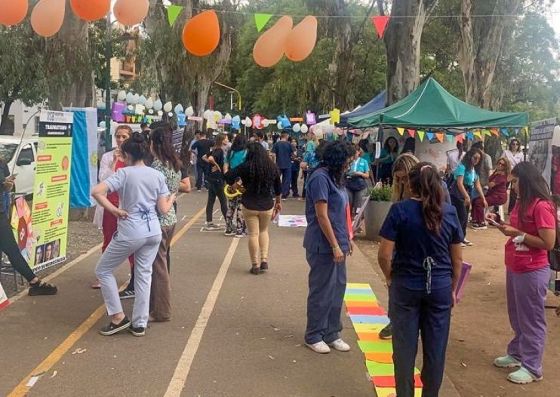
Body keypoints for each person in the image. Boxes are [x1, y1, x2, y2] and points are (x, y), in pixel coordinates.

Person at [378, 162, 463, 397]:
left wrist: (390, 277)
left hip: (405, 284)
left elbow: (384, 254)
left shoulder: (400, 210)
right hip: (439, 285)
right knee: (436, 349)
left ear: (410, 184)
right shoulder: (449, 212)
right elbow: (457, 259)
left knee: (404, 349)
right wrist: (453, 288)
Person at [92, 132, 175, 337]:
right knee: (144, 274)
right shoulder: (157, 175)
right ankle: (140, 323)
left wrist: (114, 210)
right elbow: (163, 209)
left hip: (131, 230)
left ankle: (118, 317)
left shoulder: (124, 173)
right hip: (153, 230)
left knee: (103, 270)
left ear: (127, 153)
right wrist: (172, 197)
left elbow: (96, 191)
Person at [487, 162, 555, 384]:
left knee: (532, 318)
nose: (512, 187)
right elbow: (516, 231)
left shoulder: (541, 206)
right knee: (517, 314)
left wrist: (518, 233)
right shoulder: (521, 203)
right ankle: (517, 353)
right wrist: (501, 225)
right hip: (515, 265)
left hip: (533, 269)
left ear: (525, 181)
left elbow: (548, 242)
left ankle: (533, 366)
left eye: (514, 182)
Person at [303, 141, 355, 354]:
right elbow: (322, 215)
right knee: (322, 291)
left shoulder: (336, 179)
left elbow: (341, 212)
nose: (350, 164)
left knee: (337, 288)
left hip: (338, 242)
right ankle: (314, 334)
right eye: (348, 160)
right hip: (322, 244)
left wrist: (347, 239)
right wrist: (334, 245)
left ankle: (332, 332)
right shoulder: (320, 179)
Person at [0, 161, 57, 295]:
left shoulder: (2, 163)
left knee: (12, 250)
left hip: (1, 213)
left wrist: (8, 184)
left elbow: (6, 188)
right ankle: (34, 281)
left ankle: (34, 281)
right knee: (12, 250)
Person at [224, 142, 281, 274]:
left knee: (253, 234)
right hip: (267, 204)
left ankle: (255, 264)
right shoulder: (271, 166)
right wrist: (278, 201)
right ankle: (264, 259)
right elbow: (278, 187)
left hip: (249, 204)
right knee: (263, 231)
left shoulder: (245, 166)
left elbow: (228, 177)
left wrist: (236, 183)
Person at [93, 125, 134, 293]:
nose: (120, 140)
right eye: (118, 136)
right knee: (108, 238)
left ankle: (135, 273)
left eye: (124, 137)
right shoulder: (107, 156)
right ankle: (104, 274)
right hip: (110, 203)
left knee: (132, 240)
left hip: (128, 203)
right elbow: (102, 179)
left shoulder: (133, 157)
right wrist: (114, 163)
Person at [149, 126, 182, 322]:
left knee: (158, 267)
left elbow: (157, 201)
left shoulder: (157, 167)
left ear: (155, 144)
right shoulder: (174, 164)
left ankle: (161, 310)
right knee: (159, 263)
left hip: (159, 220)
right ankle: (156, 305)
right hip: (171, 219)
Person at [450, 148, 486, 247]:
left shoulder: (474, 170)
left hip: (468, 191)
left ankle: (462, 237)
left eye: (479, 159)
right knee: (461, 215)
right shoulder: (462, 167)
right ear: (470, 156)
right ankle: (457, 238)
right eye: (475, 158)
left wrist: (483, 198)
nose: (476, 160)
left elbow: (477, 185)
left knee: (465, 216)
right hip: (458, 193)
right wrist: (466, 196)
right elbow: (459, 183)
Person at [471, 157, 511, 229]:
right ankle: (475, 220)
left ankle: (481, 223)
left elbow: (490, 184)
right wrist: (495, 173)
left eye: (503, 165)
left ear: (505, 167)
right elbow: (489, 180)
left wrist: (485, 182)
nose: (500, 165)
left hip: (499, 197)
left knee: (479, 202)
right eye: (499, 163)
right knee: (474, 200)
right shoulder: (497, 173)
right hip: (493, 195)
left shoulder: (502, 176)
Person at [202, 133, 228, 230]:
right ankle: (228, 222)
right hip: (217, 179)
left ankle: (209, 222)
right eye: (226, 139)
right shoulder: (219, 151)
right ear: (222, 140)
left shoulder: (214, 150)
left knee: (211, 200)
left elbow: (204, 157)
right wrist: (217, 166)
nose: (227, 140)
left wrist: (213, 164)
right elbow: (210, 158)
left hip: (211, 178)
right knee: (223, 201)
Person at [223, 134, 248, 237]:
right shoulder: (246, 152)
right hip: (242, 181)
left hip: (230, 180)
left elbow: (225, 166)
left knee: (231, 205)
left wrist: (228, 178)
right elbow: (246, 168)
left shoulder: (230, 152)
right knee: (240, 205)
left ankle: (228, 228)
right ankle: (239, 229)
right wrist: (239, 182)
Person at [345, 145, 370, 217]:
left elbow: (367, 175)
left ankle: (357, 223)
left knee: (358, 206)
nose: (354, 155)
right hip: (349, 183)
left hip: (360, 184)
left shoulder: (364, 161)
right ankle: (348, 222)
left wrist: (360, 173)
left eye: (355, 153)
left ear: (359, 152)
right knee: (348, 204)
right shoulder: (349, 161)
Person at [502, 138, 524, 213]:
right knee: (502, 189)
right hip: (507, 173)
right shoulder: (506, 152)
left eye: (516, 144)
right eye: (513, 144)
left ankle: (511, 210)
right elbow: (501, 161)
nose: (515, 146)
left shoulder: (521, 154)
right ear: (510, 145)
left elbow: (522, 164)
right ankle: (497, 207)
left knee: (514, 192)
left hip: (516, 174)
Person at [272, 132, 293, 199]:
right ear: (286, 136)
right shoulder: (289, 144)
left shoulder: (276, 144)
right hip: (287, 164)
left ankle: (275, 193)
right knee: (286, 180)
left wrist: (274, 163)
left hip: (278, 164)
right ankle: (284, 194)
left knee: (276, 179)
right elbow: (294, 154)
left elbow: (273, 155)